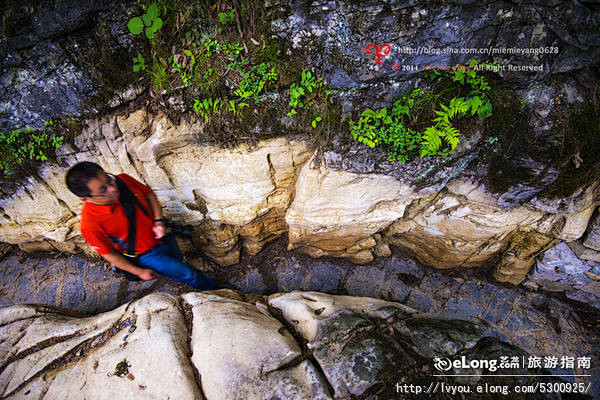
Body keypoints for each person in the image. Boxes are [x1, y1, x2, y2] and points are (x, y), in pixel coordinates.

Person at [65, 161, 216, 290]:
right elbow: (109, 254)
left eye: (108, 180)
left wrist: (158, 221)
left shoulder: (123, 181)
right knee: (189, 274)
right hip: (146, 255)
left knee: (177, 258)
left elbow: (149, 195)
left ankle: (177, 274)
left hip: (163, 235)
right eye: (103, 190)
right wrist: (138, 271)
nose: (112, 188)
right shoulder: (90, 224)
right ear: (85, 199)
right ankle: (214, 289)